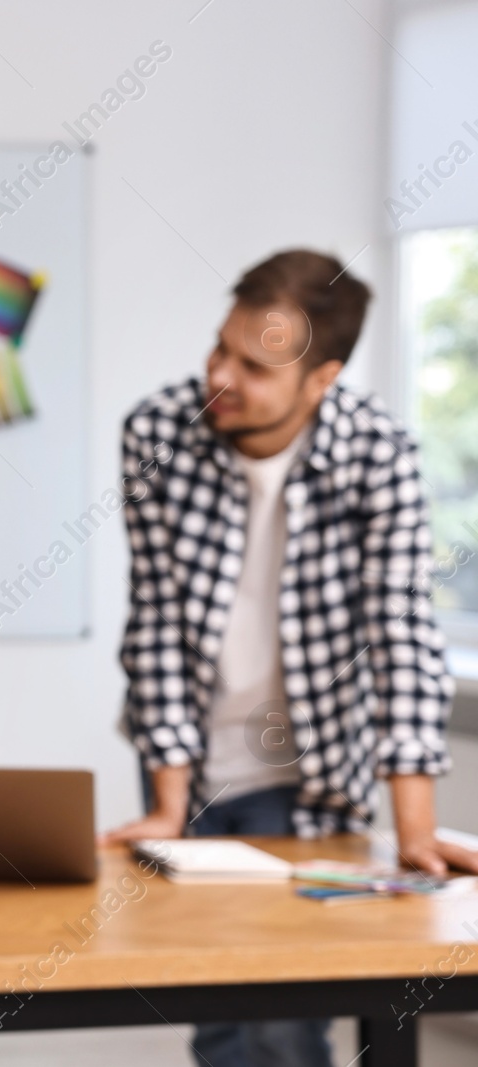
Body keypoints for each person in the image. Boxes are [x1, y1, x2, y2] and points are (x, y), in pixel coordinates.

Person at [103, 248, 478, 1067]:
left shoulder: (378, 454)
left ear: (322, 378)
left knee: (285, 1009)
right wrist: (169, 805)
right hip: (190, 757)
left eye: (253, 365)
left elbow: (402, 636)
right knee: (216, 996)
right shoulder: (157, 432)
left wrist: (412, 827)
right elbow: (157, 624)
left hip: (304, 769)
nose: (220, 375)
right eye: (219, 348)